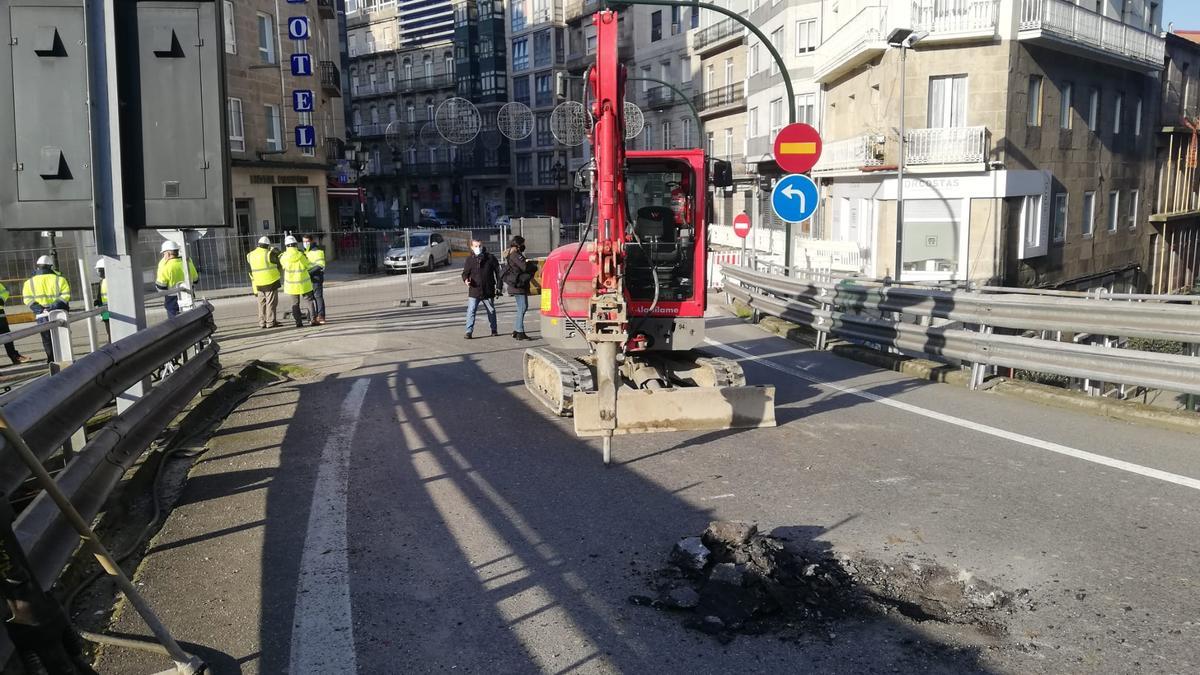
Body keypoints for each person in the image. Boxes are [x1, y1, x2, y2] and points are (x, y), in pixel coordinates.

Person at [22, 255, 70, 363]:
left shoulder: (29, 282)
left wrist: (40, 309)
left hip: (41, 315)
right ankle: (64, 359)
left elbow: (27, 300)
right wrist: (52, 307)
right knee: (62, 336)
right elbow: (65, 295)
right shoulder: (60, 279)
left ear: (38, 266)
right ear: (50, 266)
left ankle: (51, 360)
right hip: (58, 313)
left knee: (47, 339)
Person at [461, 238, 499, 339]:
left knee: (491, 310)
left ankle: (494, 329)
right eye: (476, 246)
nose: (478, 248)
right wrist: (466, 280)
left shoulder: (490, 258)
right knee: (471, 310)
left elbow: (498, 272)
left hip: (488, 289)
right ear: (471, 247)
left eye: (480, 246)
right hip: (474, 289)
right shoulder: (469, 259)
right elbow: (465, 273)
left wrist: (499, 286)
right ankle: (469, 331)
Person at [501, 235, 535, 341]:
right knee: (523, 307)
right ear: (518, 245)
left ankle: (516, 330)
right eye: (523, 244)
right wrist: (532, 265)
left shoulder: (513, 254)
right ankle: (520, 331)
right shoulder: (515, 254)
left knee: (521, 307)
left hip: (517, 284)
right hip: (518, 285)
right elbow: (524, 266)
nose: (524, 246)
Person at [280, 235, 317, 328]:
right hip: (304, 283)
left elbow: (283, 266)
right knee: (309, 301)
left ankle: (298, 322)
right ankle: (312, 319)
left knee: (295, 304)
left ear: (286, 245)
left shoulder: (283, 257)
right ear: (296, 244)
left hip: (291, 285)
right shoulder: (301, 255)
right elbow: (308, 265)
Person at [155, 240, 199, 318]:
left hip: (172, 298)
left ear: (168, 254)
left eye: (164, 253)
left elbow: (160, 287)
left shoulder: (165, 266)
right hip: (188, 295)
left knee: (174, 321)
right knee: (189, 316)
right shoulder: (188, 262)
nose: (163, 256)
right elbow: (196, 280)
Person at [247, 236, 282, 329]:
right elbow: (279, 263)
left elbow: (250, 270)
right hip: (270, 281)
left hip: (258, 282)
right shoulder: (269, 254)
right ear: (267, 245)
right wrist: (276, 251)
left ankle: (262, 322)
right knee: (271, 303)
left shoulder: (250, 254)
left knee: (261, 304)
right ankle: (270, 322)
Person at [0, 279, 30, 365]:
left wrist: (1, 299)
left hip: (0, 313)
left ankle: (15, 357)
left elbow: (4, 292)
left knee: (7, 336)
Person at [302, 234, 327, 325]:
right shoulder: (304, 252)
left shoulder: (318, 251)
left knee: (318, 296)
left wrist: (308, 273)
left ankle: (321, 316)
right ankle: (313, 316)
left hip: (316, 277)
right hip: (307, 278)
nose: (305, 243)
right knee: (310, 298)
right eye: (304, 242)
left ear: (312, 241)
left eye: (307, 241)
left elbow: (320, 265)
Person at [94, 258, 110, 341]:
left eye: (100, 270)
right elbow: (100, 295)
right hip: (105, 310)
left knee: (110, 328)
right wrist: (97, 302)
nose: (99, 273)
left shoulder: (111, 280)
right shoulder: (102, 281)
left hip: (111, 309)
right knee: (108, 327)